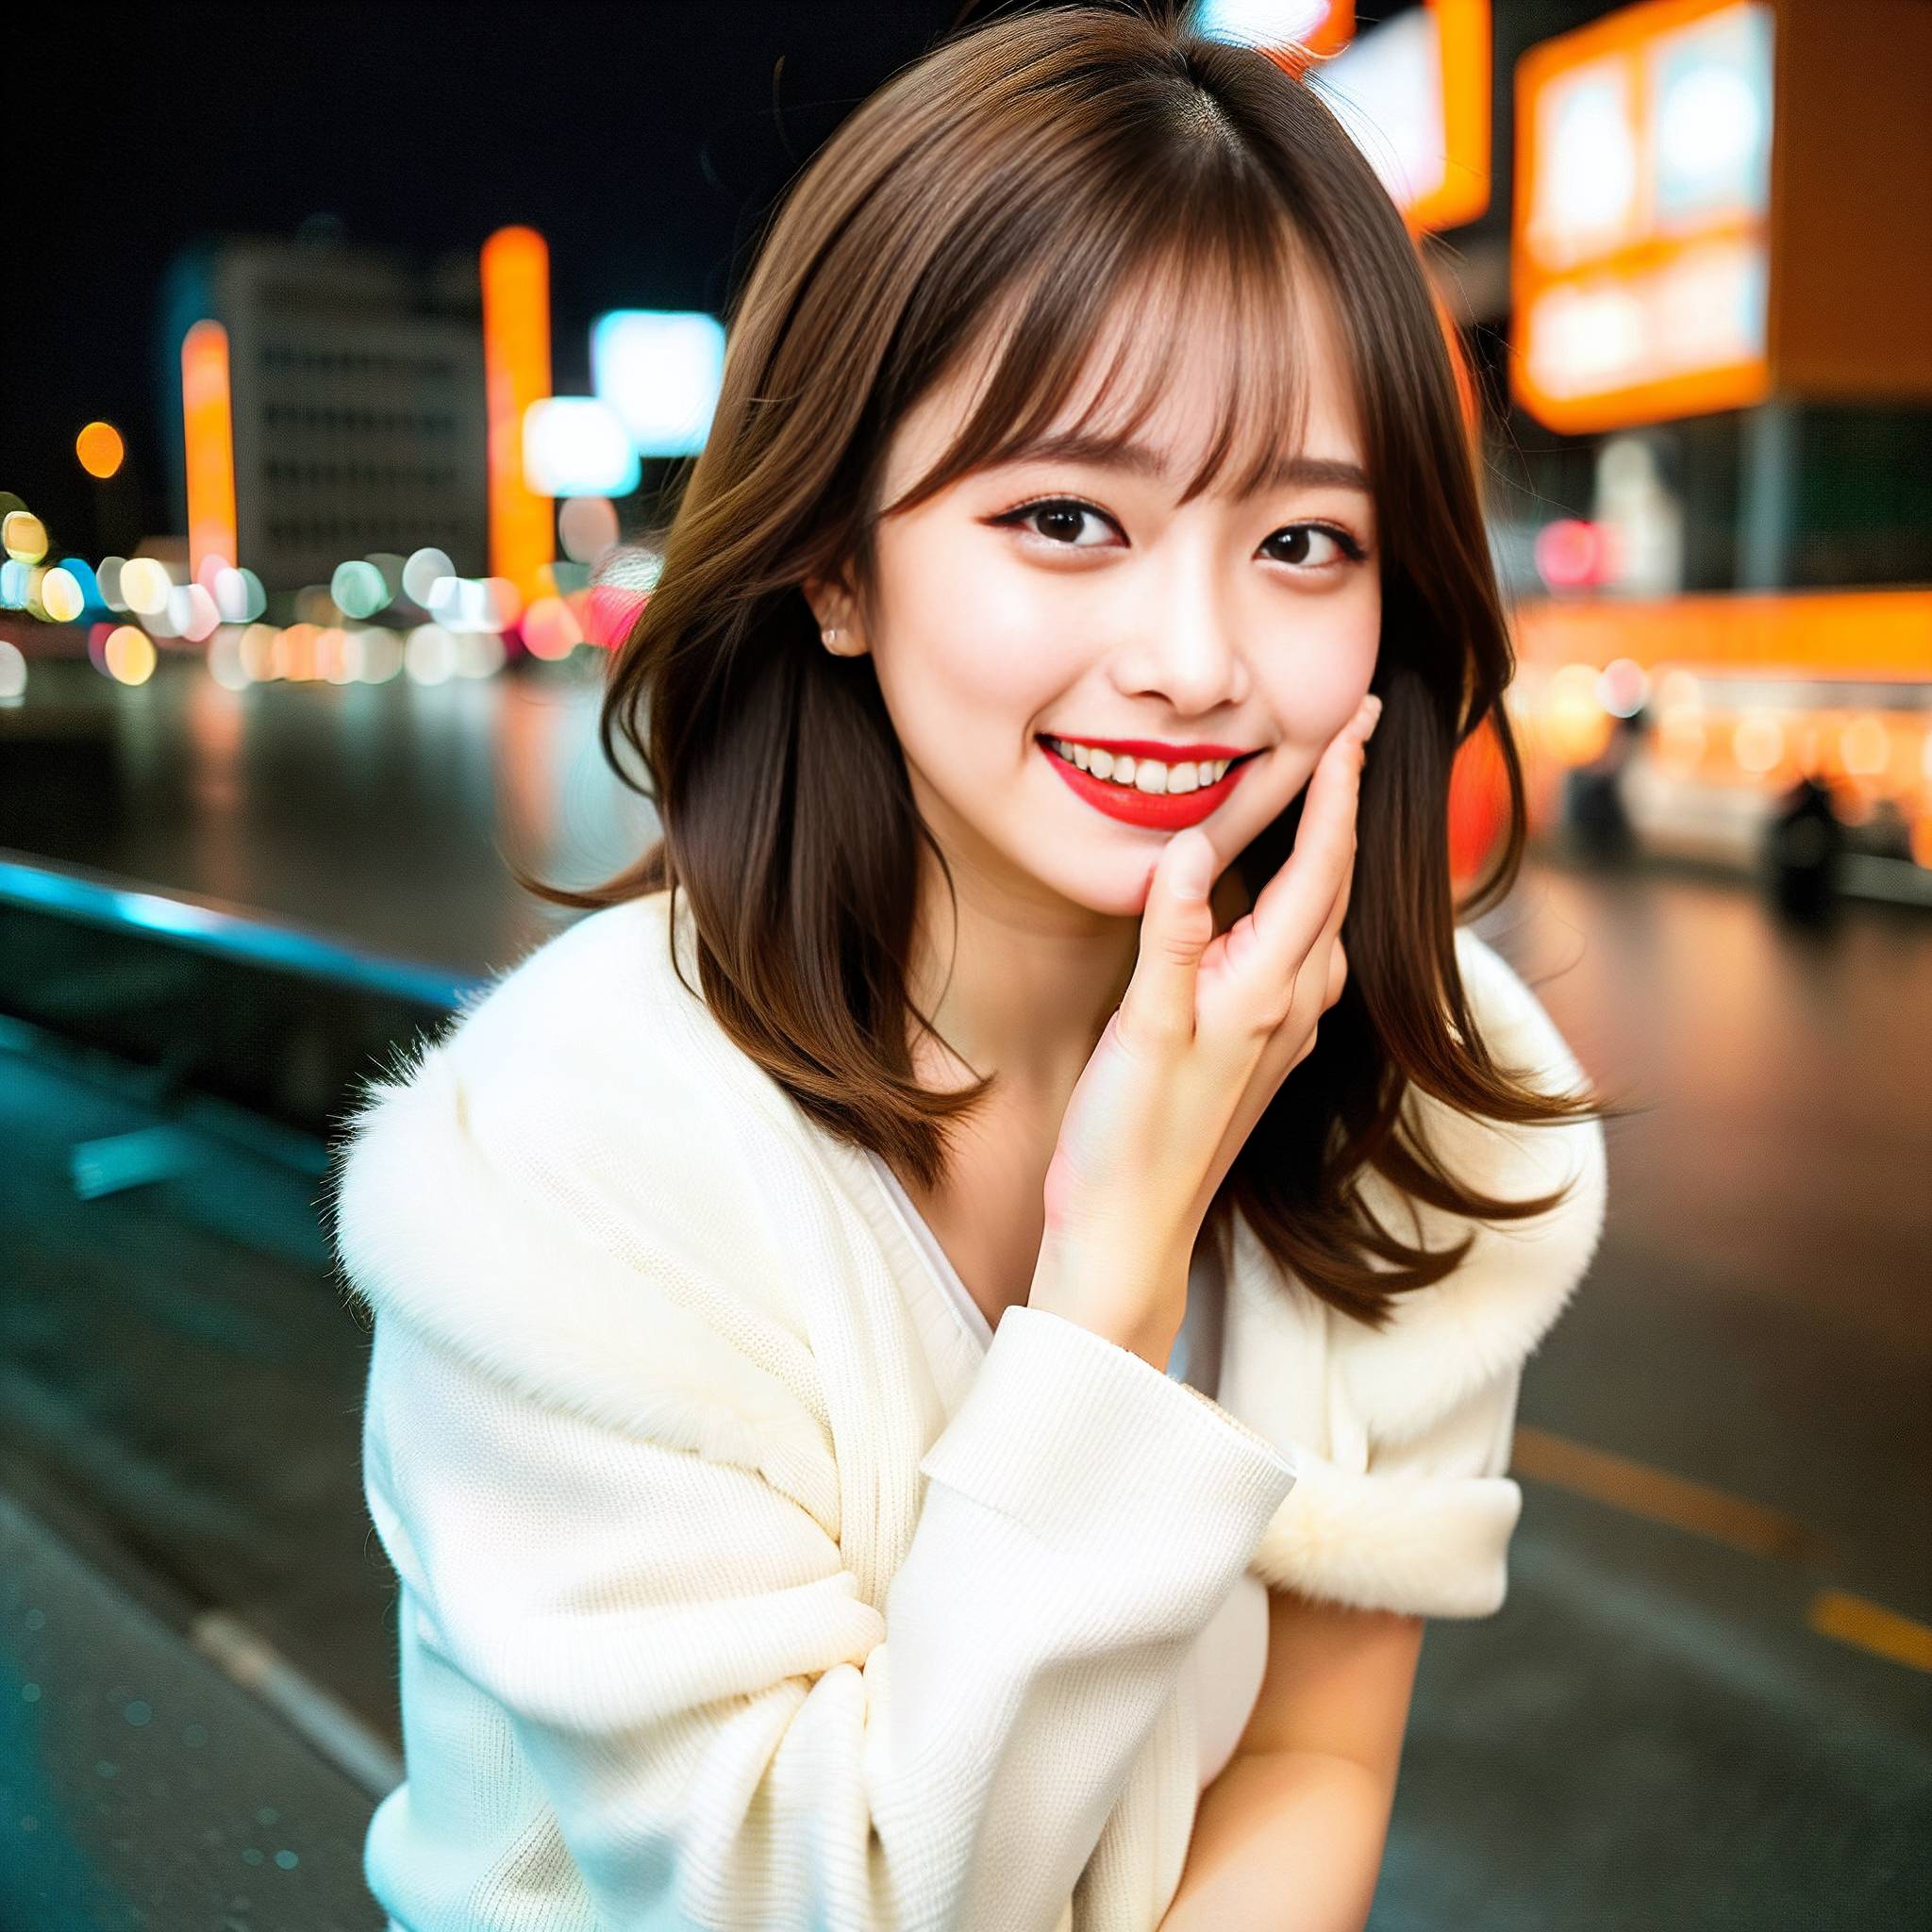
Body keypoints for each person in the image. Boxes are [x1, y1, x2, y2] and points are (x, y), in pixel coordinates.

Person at [327, 7, 1619, 1927]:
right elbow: (814, 1901)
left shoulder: (1417, 1107)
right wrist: (1112, 1272)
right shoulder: (568, 1164)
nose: (1194, 656)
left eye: (1300, 539)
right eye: (1064, 518)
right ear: (837, 562)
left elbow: (1314, 1763)